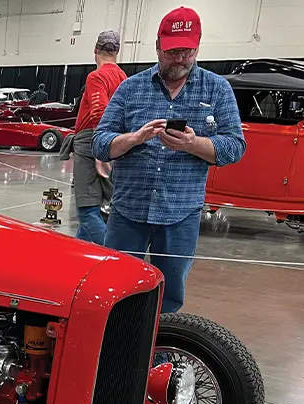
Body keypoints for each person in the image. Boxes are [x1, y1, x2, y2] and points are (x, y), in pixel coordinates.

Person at [93, 6, 245, 312]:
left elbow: (234, 147)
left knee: (170, 297)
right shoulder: (129, 89)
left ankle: (159, 352)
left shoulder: (217, 89)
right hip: (128, 212)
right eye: (172, 51)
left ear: (198, 47)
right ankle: (115, 351)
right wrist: (134, 138)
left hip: (181, 213)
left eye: (187, 52)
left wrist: (193, 143)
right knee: (113, 292)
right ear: (158, 46)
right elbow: (99, 144)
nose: (179, 59)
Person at [70, 30, 127, 245]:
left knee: (87, 210)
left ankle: (115, 259)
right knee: (101, 210)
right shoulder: (123, 77)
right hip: (115, 140)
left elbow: (99, 113)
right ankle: (78, 255)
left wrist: (100, 151)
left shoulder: (96, 76)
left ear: (96, 50)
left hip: (90, 143)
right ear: (117, 52)